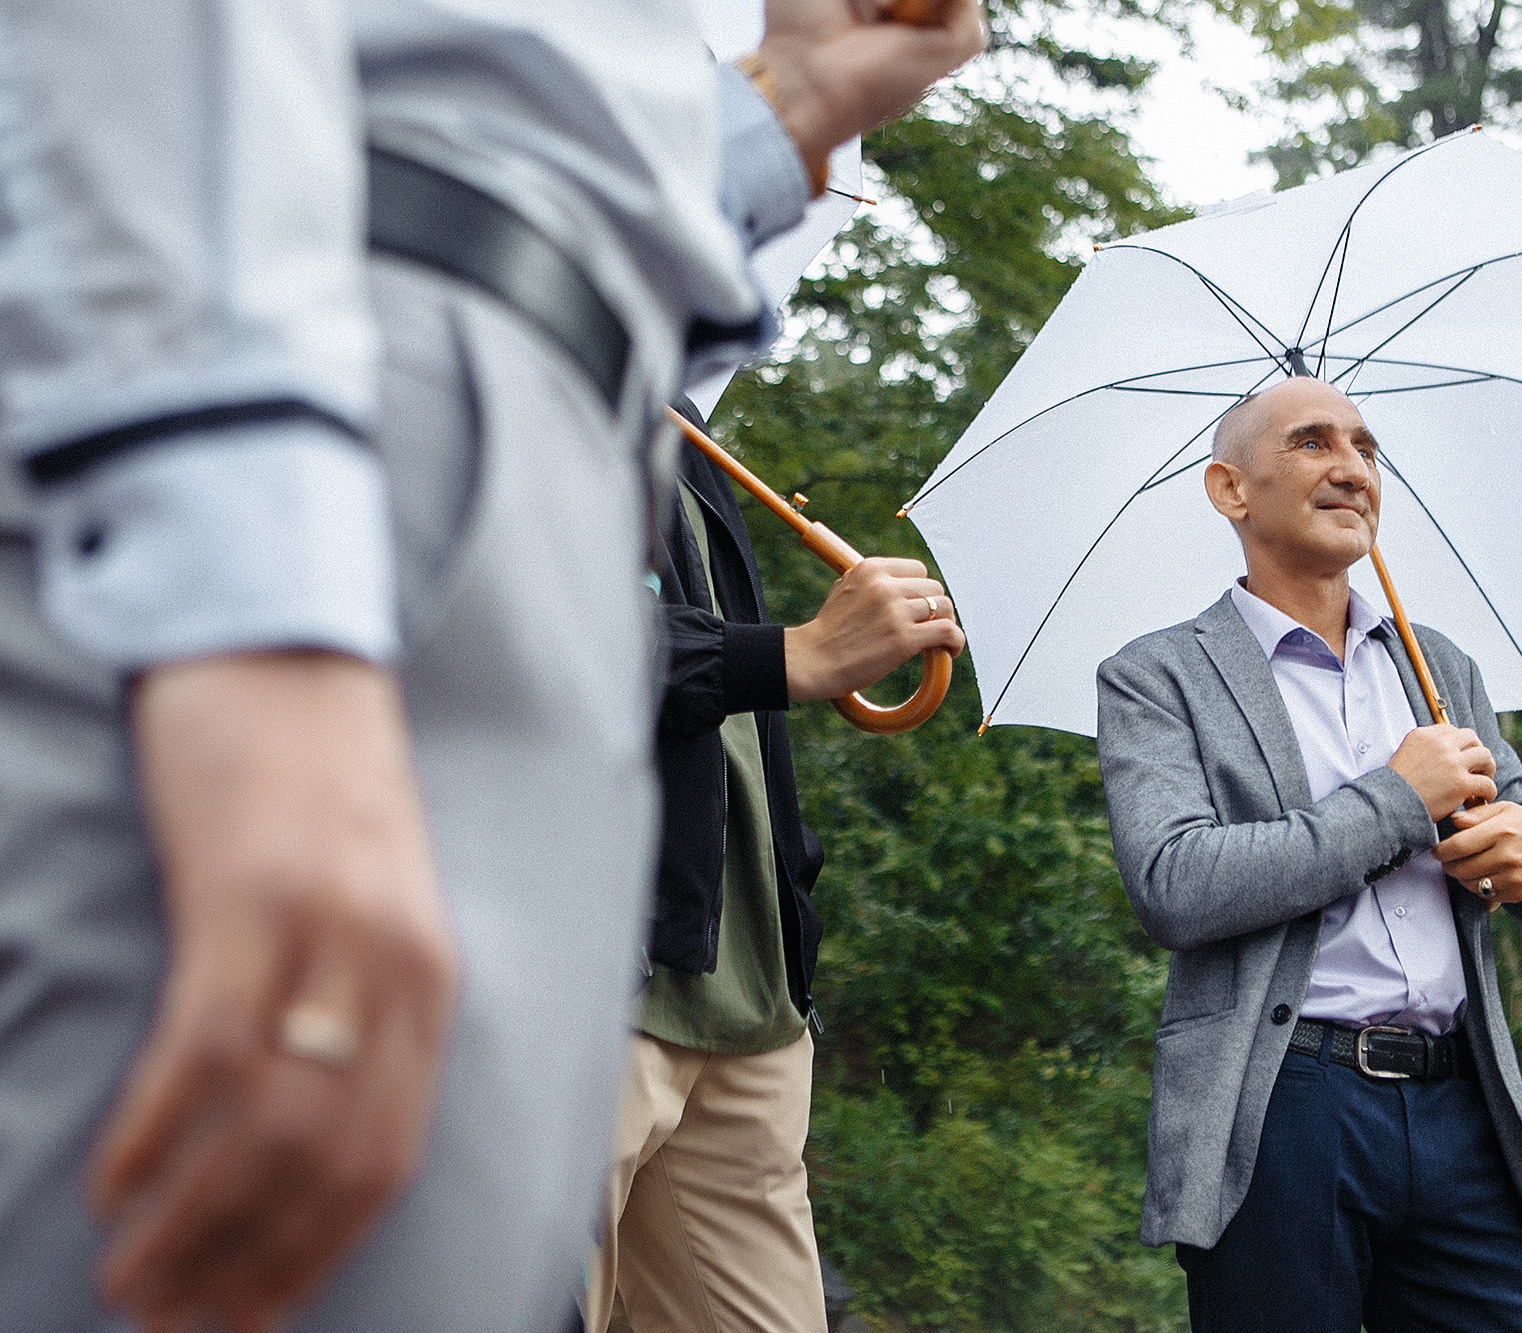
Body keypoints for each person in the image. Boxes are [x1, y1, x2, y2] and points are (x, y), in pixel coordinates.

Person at [0, 2, 981, 1330]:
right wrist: (262, 610)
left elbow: (505, 124)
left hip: (530, 442)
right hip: (259, 400)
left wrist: (782, 114)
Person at [1094, 374, 1522, 1332]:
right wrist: (1394, 802)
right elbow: (1176, 885)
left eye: (1365, 449)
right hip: (1283, 1105)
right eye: (1312, 443)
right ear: (1229, 490)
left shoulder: (1438, 666)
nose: (1351, 469)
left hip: (1464, 1107)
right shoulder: (1156, 676)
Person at [583, 397, 964, 1333]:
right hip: (591, 1000)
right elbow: (535, 632)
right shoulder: (533, 365)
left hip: (752, 1015)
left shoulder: (691, 437)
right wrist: (793, 651)